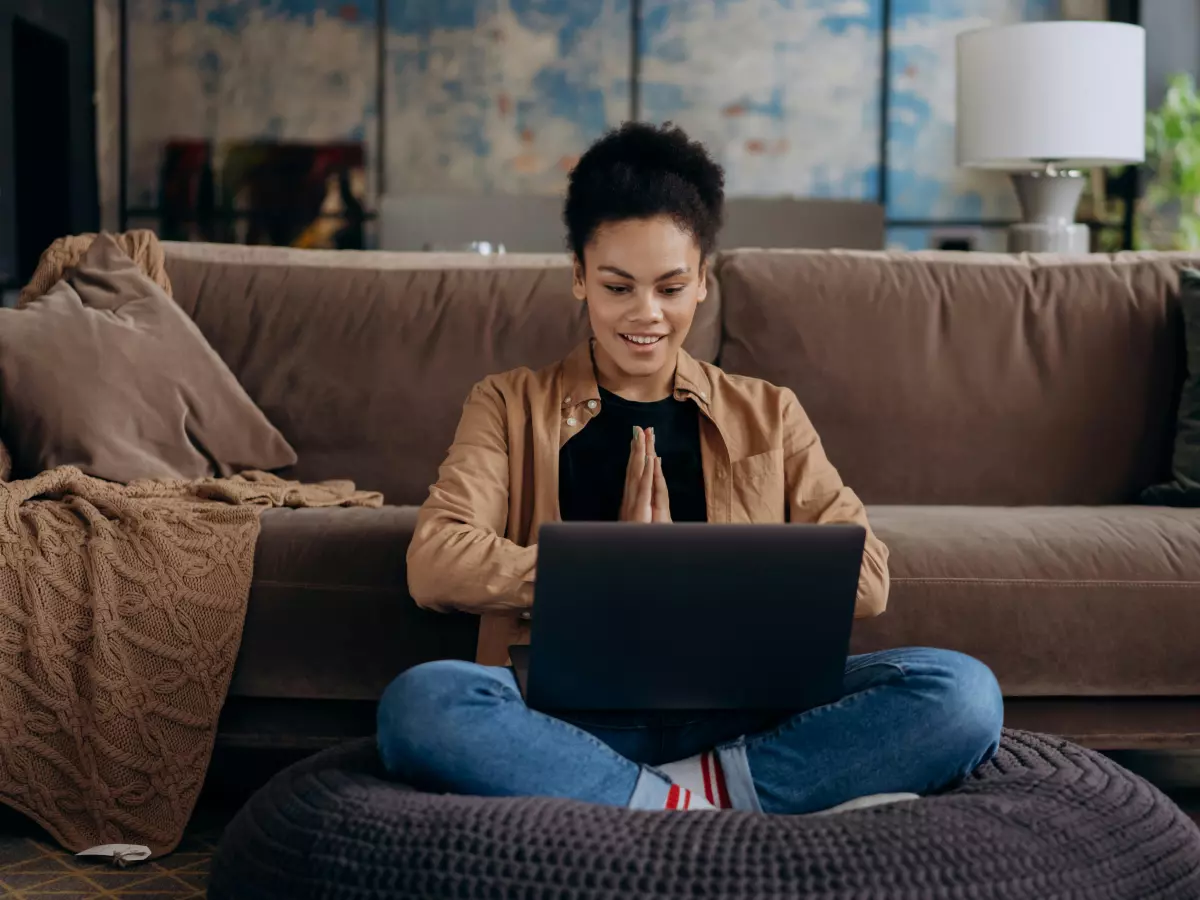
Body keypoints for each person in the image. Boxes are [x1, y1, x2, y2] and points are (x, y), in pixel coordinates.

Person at [376, 122, 1003, 814]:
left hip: (738, 716)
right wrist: (609, 570)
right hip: (563, 718)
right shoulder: (506, 403)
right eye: (618, 287)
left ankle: (652, 801)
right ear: (579, 278)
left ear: (703, 281)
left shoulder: (769, 413)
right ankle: (708, 803)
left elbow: (869, 579)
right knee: (421, 705)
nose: (646, 314)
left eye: (670, 287)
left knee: (963, 694)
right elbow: (434, 561)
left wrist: (691, 570)